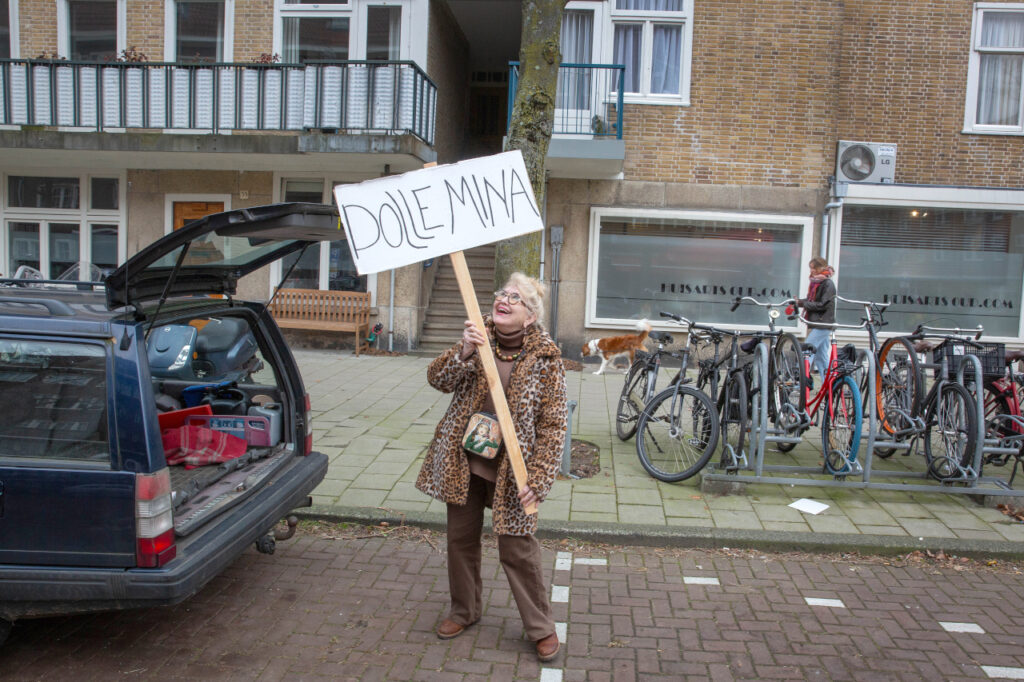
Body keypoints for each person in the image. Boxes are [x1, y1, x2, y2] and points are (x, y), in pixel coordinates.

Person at [416, 272, 567, 663]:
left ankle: (541, 627)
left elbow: (554, 423)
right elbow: (437, 379)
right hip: (464, 460)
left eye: (514, 298)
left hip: (512, 471)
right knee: (459, 540)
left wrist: (540, 476)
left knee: (518, 549)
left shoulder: (546, 358)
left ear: (529, 316)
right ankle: (464, 610)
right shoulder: (478, 336)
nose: (503, 299)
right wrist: (464, 351)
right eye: (502, 292)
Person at [798, 257, 836, 385]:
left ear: (821, 268)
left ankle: (803, 382)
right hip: (820, 323)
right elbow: (812, 301)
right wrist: (798, 303)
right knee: (821, 356)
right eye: (811, 267)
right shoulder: (817, 282)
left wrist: (804, 304)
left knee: (806, 350)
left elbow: (822, 304)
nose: (811, 270)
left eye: (813, 267)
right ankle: (829, 383)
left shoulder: (827, 284)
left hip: (823, 323)